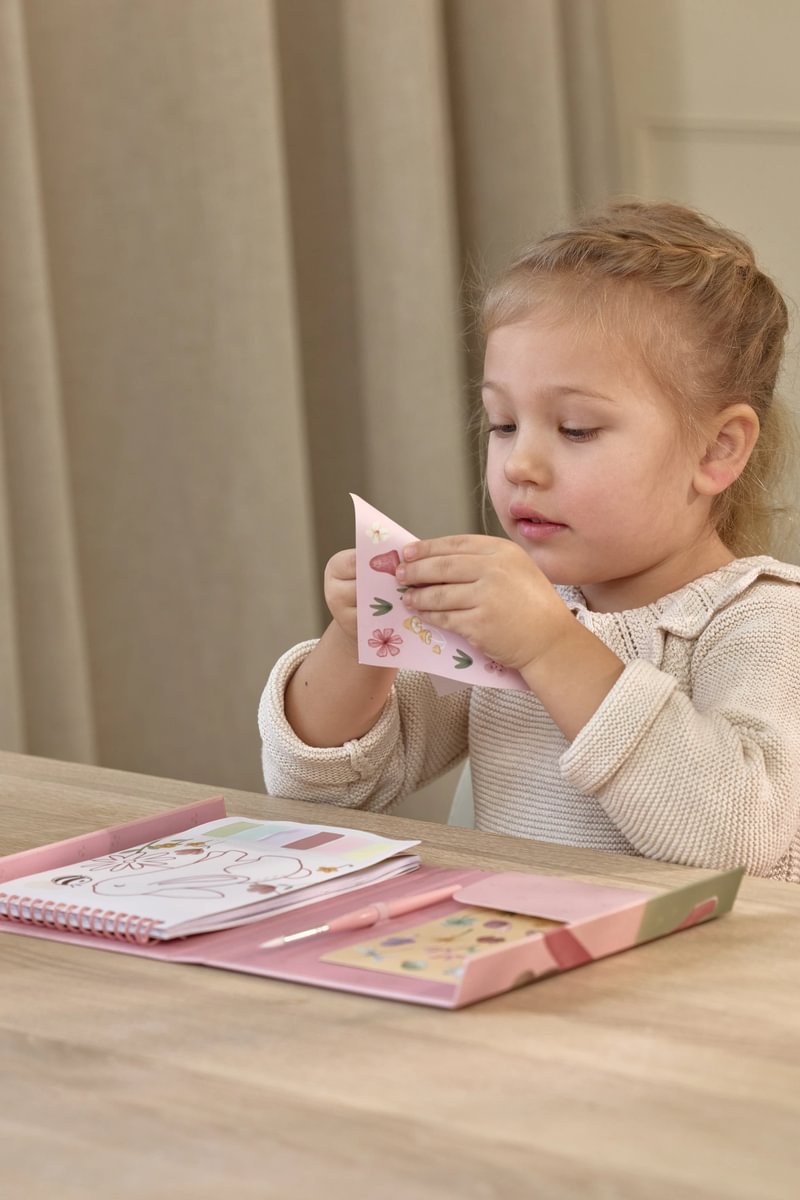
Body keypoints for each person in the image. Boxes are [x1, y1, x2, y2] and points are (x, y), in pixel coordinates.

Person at [259, 199, 800, 881]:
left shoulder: (764, 622)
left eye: (576, 429)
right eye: (503, 424)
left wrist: (550, 646)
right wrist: (358, 639)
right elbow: (322, 793)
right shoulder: (514, 606)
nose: (520, 464)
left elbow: (740, 837)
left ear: (717, 450)